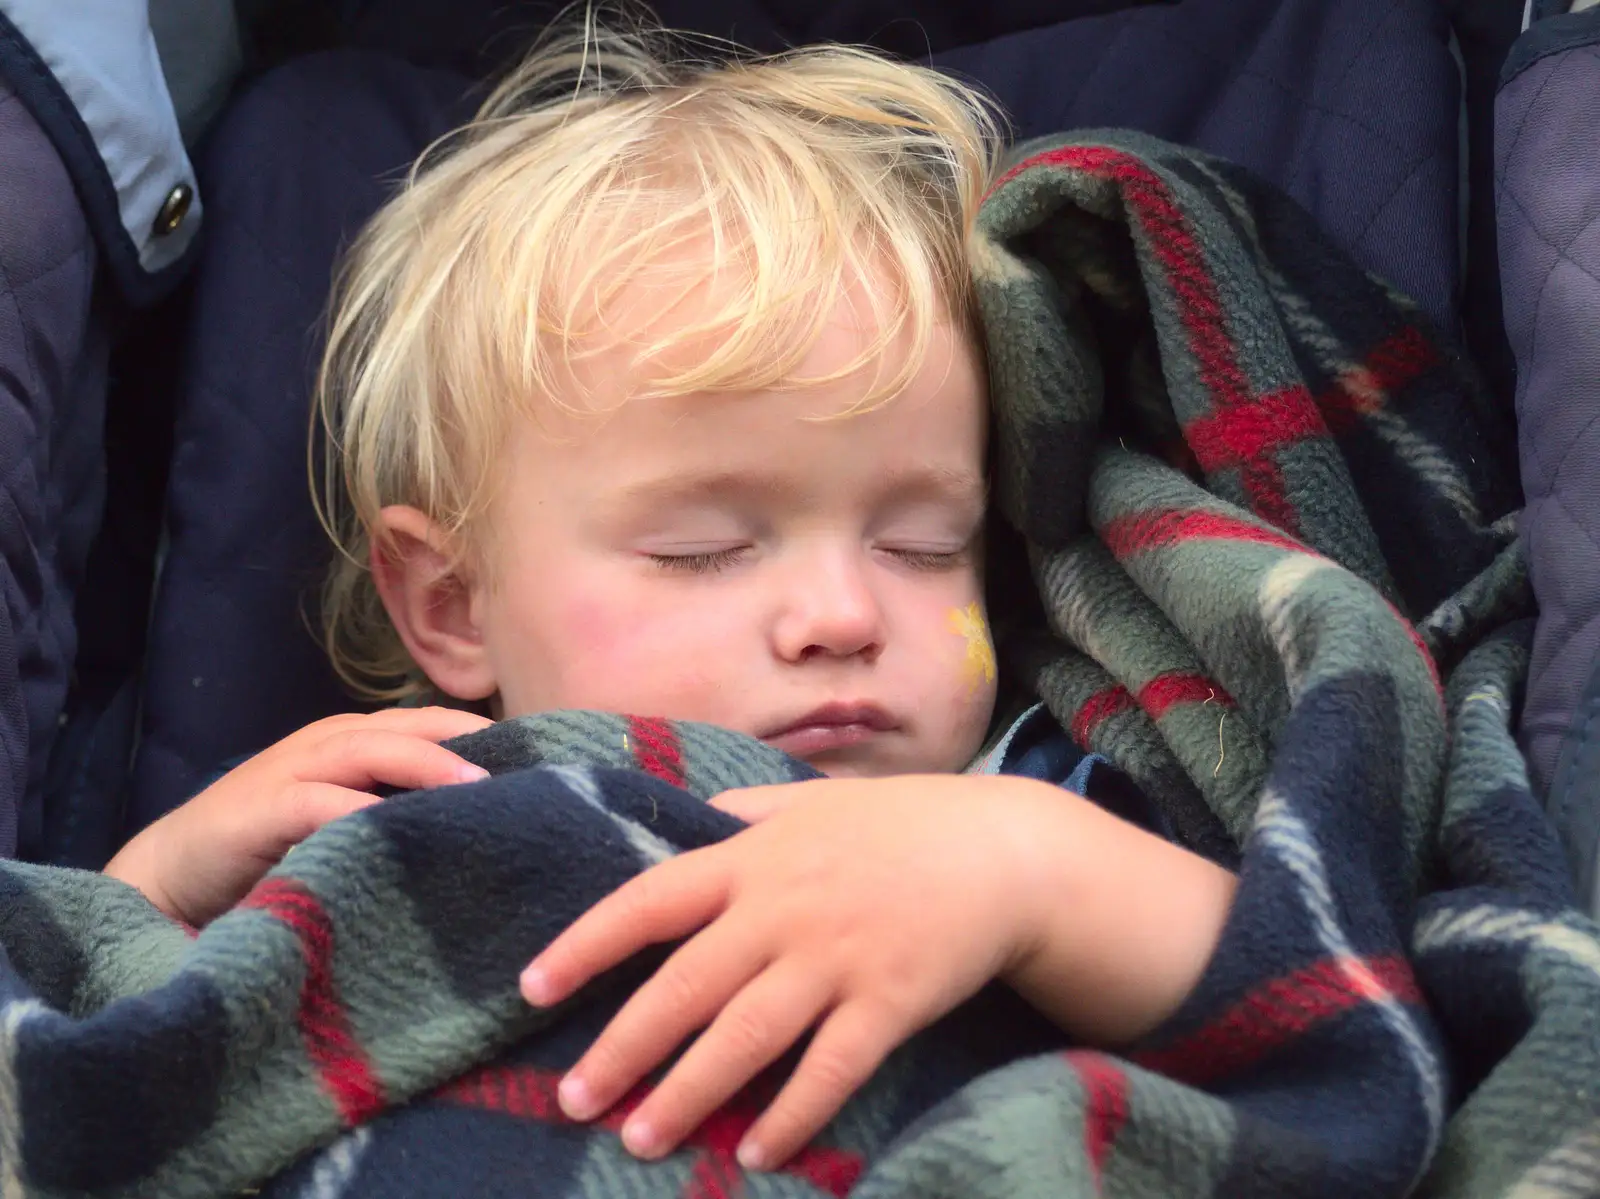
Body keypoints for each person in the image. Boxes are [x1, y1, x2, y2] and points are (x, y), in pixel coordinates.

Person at [105, 18, 1237, 1175]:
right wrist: (144, 889)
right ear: (452, 604)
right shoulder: (372, 836)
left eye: (921, 542)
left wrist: (1032, 873)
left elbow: (1300, 984)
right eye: (703, 548)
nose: (842, 616)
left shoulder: (1009, 804)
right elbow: (87, 1097)